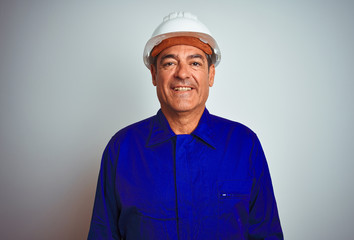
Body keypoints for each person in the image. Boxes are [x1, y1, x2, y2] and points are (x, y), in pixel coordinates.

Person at [88, 12, 283, 240]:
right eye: (170, 63)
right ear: (154, 74)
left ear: (210, 74)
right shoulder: (121, 149)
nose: (182, 73)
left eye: (195, 62)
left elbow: (267, 235)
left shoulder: (244, 145)